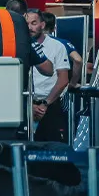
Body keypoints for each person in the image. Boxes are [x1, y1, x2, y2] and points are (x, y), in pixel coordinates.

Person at [25, 10, 68, 142]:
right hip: (26, 106)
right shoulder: (19, 46)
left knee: (53, 151)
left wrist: (45, 104)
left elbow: (63, 79)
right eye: (26, 24)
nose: (29, 27)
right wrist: (29, 106)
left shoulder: (57, 46)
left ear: (42, 25)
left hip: (50, 106)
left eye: (33, 23)